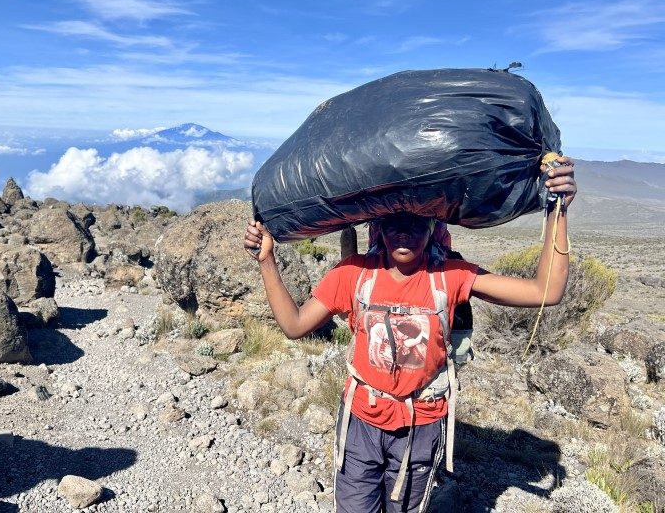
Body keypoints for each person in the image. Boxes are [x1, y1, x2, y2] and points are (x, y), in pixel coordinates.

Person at [243, 156, 577, 513]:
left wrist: (557, 211)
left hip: (422, 426)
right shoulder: (352, 274)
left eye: (415, 223)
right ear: (379, 227)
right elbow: (294, 325)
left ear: (433, 227)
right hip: (361, 423)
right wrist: (267, 260)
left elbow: (547, 291)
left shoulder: (451, 276)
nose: (404, 232)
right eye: (393, 222)